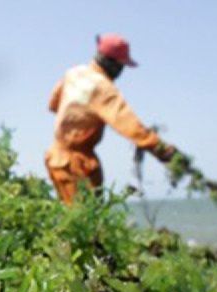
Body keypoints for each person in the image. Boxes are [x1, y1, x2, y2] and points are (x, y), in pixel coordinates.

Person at [45, 33, 177, 204]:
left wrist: (78, 117)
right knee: (86, 223)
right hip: (77, 164)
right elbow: (132, 128)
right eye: (122, 66)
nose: (121, 71)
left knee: (73, 217)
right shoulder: (104, 88)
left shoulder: (73, 73)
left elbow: (53, 105)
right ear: (112, 63)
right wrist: (163, 151)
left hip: (55, 157)